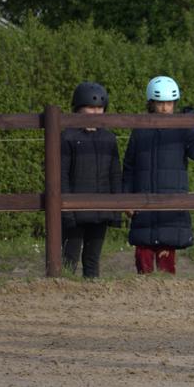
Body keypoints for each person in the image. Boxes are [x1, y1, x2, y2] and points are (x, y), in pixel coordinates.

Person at [124, 76, 194, 275]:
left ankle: (167, 287)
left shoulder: (182, 130)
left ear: (174, 104)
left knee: (167, 250)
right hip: (143, 201)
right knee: (143, 251)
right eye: (160, 103)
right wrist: (126, 198)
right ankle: (142, 286)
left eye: (169, 103)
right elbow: (129, 166)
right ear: (151, 103)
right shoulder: (139, 130)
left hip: (171, 202)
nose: (165, 108)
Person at [60, 81, 123, 279]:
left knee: (92, 259)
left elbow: (115, 174)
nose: (95, 112)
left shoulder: (109, 138)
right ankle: (62, 289)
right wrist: (66, 210)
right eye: (90, 107)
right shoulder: (68, 137)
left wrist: (116, 210)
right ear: (78, 108)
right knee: (69, 258)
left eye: (99, 108)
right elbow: (61, 175)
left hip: (101, 210)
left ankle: (92, 291)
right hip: (74, 211)